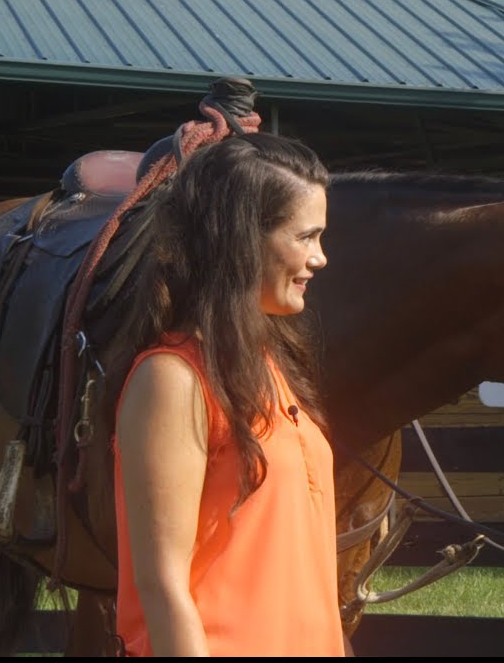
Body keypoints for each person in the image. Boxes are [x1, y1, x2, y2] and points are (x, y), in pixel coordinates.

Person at [108, 132, 351, 656]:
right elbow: (162, 586)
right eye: (306, 237)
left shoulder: (272, 368)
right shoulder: (173, 380)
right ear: (240, 240)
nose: (321, 258)